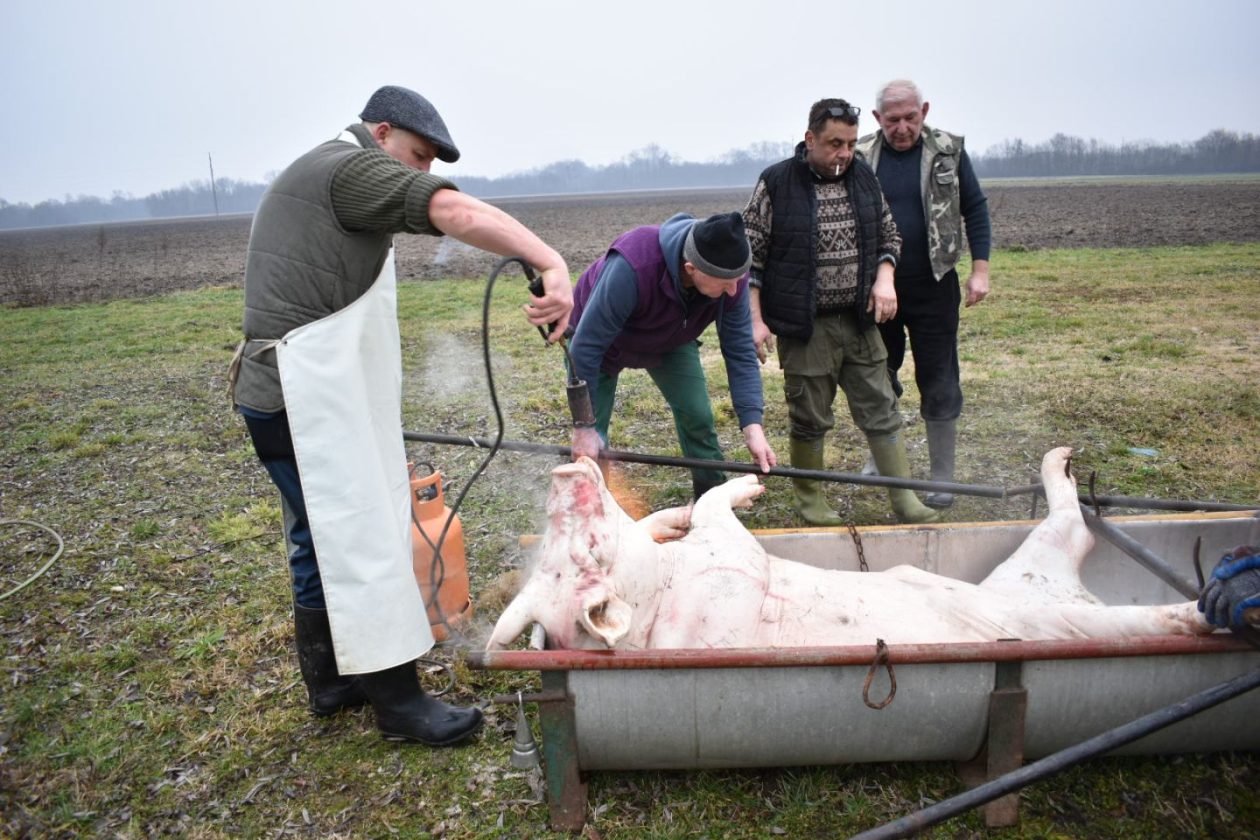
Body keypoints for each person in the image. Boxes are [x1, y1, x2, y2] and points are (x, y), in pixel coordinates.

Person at [228, 85, 573, 746]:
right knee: (358, 535)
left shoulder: (328, 167)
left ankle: (332, 683)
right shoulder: (352, 169)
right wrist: (549, 260)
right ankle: (398, 703)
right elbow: (451, 210)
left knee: (314, 536)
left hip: (279, 394)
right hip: (299, 398)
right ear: (381, 133)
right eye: (415, 158)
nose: (415, 175)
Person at [742, 98, 938, 526]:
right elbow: (750, 255)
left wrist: (884, 278)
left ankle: (903, 500)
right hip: (804, 326)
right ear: (810, 138)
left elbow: (890, 233)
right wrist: (755, 320)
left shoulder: (864, 176)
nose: (844, 153)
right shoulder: (776, 182)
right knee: (809, 416)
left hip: (859, 320)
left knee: (882, 407)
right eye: (834, 143)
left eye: (850, 143)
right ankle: (810, 500)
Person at [568, 212, 777, 498]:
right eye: (725, 283)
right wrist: (584, 426)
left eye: (737, 280)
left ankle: (712, 499)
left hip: (672, 339)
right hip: (604, 345)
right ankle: (590, 510)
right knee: (593, 440)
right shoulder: (633, 266)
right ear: (691, 269)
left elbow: (740, 351)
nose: (733, 291)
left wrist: (753, 426)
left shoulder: (731, 278)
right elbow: (586, 347)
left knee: (698, 415)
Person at [856, 79, 992, 508]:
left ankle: (942, 477)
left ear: (924, 111)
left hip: (935, 285)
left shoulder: (948, 150)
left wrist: (980, 272)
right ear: (878, 119)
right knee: (880, 376)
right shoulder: (860, 157)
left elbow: (975, 208)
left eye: (910, 117)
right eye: (892, 119)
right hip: (879, 290)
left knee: (939, 378)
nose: (902, 127)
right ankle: (881, 458)